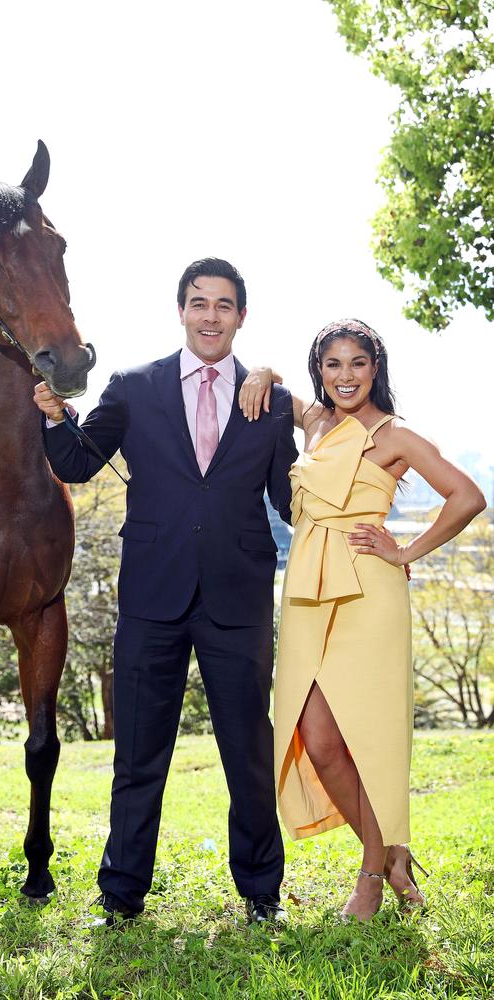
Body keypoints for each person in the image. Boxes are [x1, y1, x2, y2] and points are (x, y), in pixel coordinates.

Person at [34, 258, 298, 925]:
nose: (211, 316)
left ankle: (262, 893)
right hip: (152, 596)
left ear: (242, 316)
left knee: (248, 752)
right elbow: (77, 461)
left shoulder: (270, 398)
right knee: (139, 754)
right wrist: (52, 416)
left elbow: (289, 499)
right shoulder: (133, 387)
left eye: (224, 305)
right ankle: (122, 894)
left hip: (237, 597)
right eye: (199, 303)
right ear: (180, 311)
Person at [239, 319, 486, 921]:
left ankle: (374, 873)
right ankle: (393, 856)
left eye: (357, 364)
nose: (344, 376)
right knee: (319, 739)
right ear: (318, 371)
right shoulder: (317, 422)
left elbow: (468, 496)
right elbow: (279, 394)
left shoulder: (394, 435)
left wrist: (403, 552)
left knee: (368, 740)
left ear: (376, 369)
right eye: (332, 364)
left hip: (367, 593)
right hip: (304, 589)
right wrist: (267, 372)